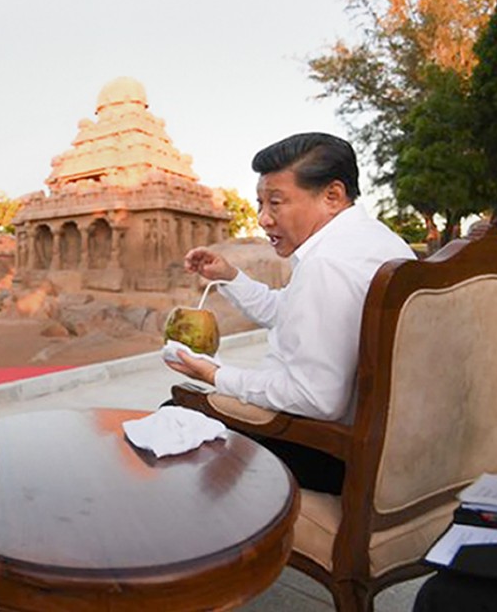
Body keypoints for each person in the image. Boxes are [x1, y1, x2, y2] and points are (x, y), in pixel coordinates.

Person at [164, 132, 415, 493]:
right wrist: (229, 276)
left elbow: (315, 399)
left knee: (174, 414)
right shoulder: (380, 243)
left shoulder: (327, 264)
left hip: (329, 454)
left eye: (276, 203)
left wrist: (215, 375)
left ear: (333, 196)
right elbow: (290, 311)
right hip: (388, 448)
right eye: (260, 204)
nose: (263, 219)